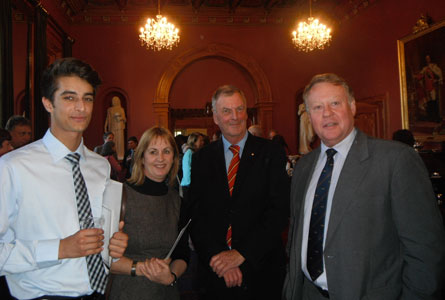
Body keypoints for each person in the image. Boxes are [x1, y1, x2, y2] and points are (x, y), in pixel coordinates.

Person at [283, 73, 445, 300]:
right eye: (317, 107)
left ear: (352, 106)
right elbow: (297, 235)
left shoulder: (395, 160)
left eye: (335, 103)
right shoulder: (303, 167)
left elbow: (425, 250)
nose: (327, 113)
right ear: (309, 116)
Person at [0, 57, 128, 300]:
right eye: (70, 98)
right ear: (48, 103)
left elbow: (98, 231)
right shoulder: (12, 167)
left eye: (87, 98)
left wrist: (113, 245)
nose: (81, 107)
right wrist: (58, 249)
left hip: (98, 293)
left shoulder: (99, 166)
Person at [190, 85, 290, 300]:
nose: (234, 117)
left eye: (240, 109)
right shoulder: (202, 158)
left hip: (262, 271)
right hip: (215, 273)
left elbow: (279, 211)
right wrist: (220, 260)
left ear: (247, 113)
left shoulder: (271, 153)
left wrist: (241, 254)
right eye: (226, 111)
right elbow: (197, 216)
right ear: (216, 117)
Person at [109, 126, 189, 300]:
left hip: (166, 292)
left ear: (174, 158)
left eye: (166, 151)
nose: (160, 158)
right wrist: (143, 268)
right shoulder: (119, 195)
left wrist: (171, 277)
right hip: (127, 291)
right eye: (153, 152)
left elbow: (182, 255)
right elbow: (102, 256)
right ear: (142, 158)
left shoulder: (177, 201)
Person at [180, 132, 204, 197]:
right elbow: (187, 169)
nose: (202, 142)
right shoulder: (189, 153)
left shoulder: (195, 153)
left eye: (203, 140)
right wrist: (190, 184)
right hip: (188, 186)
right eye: (200, 141)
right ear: (194, 142)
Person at [104, 96, 126, 160]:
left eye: (116, 101)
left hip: (120, 127)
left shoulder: (121, 109)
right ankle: (113, 155)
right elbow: (107, 119)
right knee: (112, 141)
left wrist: (120, 118)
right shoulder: (110, 109)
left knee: (120, 141)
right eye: (113, 101)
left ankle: (120, 154)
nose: (115, 102)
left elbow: (124, 119)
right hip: (112, 127)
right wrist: (105, 126)